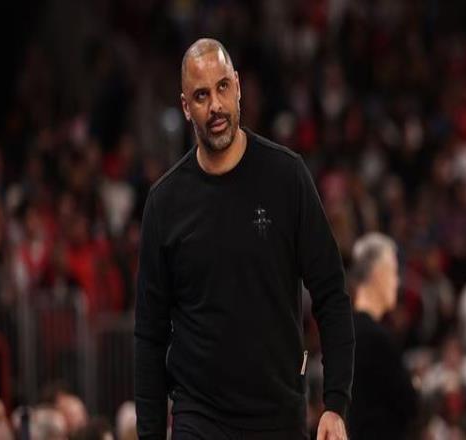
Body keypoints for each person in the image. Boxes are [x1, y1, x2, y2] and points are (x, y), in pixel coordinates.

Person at [134, 38, 355, 440]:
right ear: (185, 107)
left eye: (222, 87)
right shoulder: (164, 203)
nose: (215, 106)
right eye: (201, 95)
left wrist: (335, 404)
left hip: (278, 415)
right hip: (199, 417)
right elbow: (149, 334)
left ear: (237, 86)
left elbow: (331, 293)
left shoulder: (287, 177)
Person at [347, 233, 417, 439]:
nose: (398, 281)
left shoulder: (344, 331)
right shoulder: (377, 339)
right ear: (378, 274)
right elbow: (409, 404)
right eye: (394, 272)